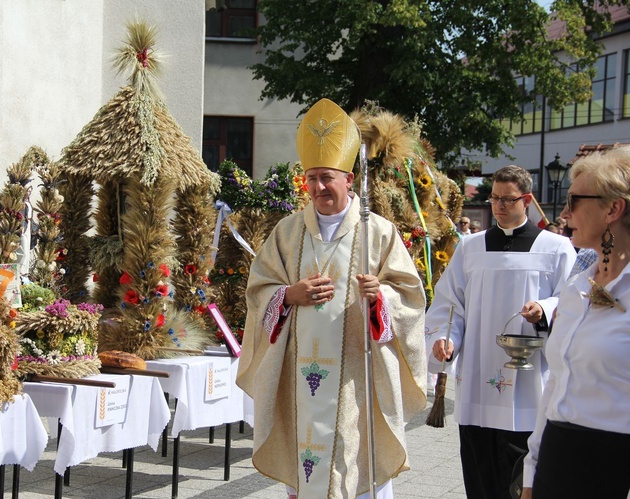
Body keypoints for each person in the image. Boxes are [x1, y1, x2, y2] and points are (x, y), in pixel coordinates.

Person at [237, 98, 428, 499]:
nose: (319, 187)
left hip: (357, 377)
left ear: (349, 178)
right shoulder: (288, 234)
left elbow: (410, 297)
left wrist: (380, 298)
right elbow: (259, 291)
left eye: (327, 177)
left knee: (355, 461)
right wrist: (288, 295)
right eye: (311, 178)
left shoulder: (378, 232)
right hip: (298, 376)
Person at [425, 165, 576, 499]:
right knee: (479, 471)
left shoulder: (556, 247)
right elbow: (450, 304)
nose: (499, 206)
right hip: (478, 379)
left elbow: (572, 300)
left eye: (508, 199)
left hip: (529, 383)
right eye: (494, 198)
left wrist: (544, 310)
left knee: (520, 475)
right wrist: (445, 339)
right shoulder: (470, 247)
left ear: (526, 199)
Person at [521, 146, 630, 499]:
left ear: (613, 209)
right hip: (558, 456)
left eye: (574, 200)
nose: (565, 212)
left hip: (614, 464)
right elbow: (556, 382)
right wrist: (530, 472)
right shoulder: (577, 286)